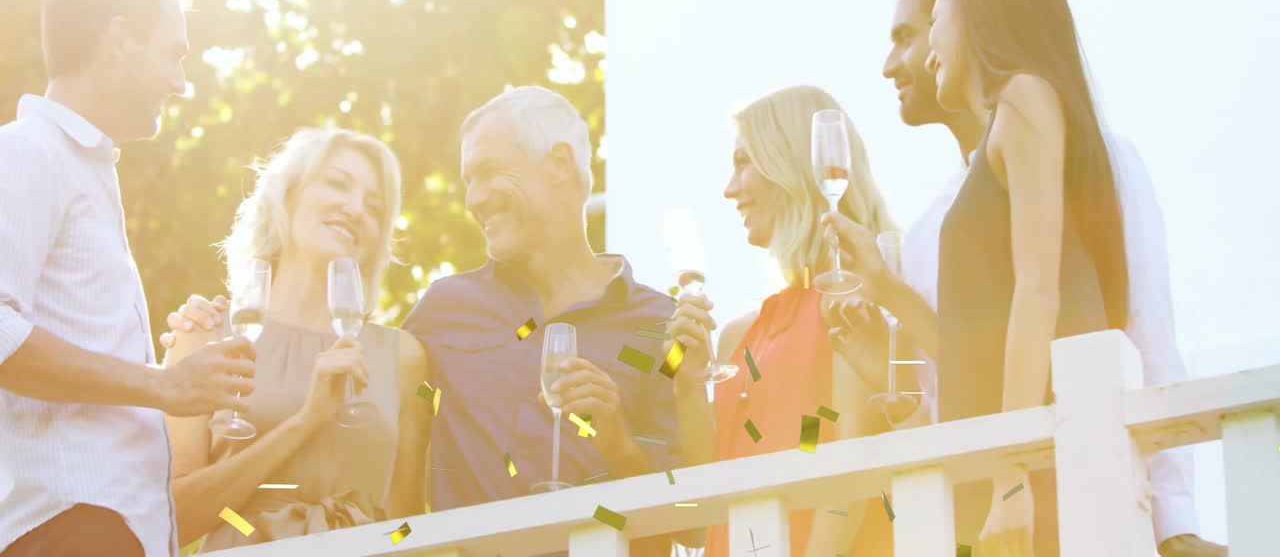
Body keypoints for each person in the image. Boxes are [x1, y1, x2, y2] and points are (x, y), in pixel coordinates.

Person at [826, 0, 1225, 556]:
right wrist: (886, 293)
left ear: (976, 15)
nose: (914, 53)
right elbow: (976, 357)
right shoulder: (939, 216)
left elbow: (1088, 312)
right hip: (983, 484)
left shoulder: (1037, 110)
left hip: (1038, 475)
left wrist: (1174, 522)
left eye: (928, 25)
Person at [0, 0, 255, 557]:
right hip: (72, 527)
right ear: (119, 40)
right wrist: (163, 385)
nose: (182, 82)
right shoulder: (26, 153)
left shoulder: (79, 171)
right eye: (174, 53)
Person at [401, 86, 683, 557]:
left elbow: (693, 523)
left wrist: (616, 440)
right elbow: (367, 428)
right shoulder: (442, 311)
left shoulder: (661, 325)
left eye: (488, 172)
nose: (474, 199)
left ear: (558, 165)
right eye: (468, 180)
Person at [158, 127, 430, 551]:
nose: (356, 208)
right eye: (338, 184)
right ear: (286, 196)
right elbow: (172, 520)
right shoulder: (205, 335)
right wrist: (306, 421)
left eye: (374, 206)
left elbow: (409, 521)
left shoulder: (403, 356)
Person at [667, 85, 896, 557]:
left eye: (744, 162)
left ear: (788, 165)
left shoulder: (851, 302)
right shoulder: (736, 335)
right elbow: (708, 501)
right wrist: (687, 384)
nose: (730, 190)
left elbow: (851, 476)